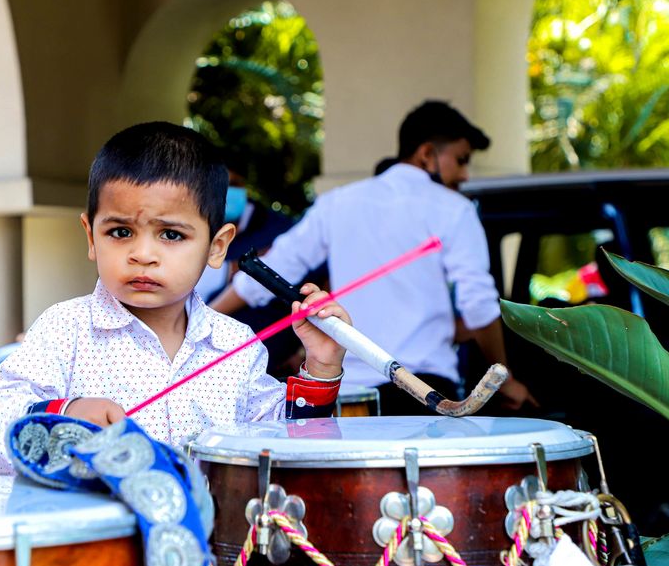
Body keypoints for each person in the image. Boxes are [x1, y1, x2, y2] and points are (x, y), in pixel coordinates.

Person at [0, 122, 353, 475]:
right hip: (100, 548)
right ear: (91, 237)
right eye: (120, 232)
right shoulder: (65, 329)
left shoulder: (236, 346)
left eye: (170, 235)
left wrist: (320, 366)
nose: (143, 254)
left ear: (217, 246)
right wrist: (64, 416)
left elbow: (285, 451)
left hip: (209, 548)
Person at [211, 100, 536, 414]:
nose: (465, 175)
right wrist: (503, 380)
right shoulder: (454, 209)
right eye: (461, 160)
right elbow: (479, 306)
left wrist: (204, 316)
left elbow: (269, 270)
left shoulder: (338, 203)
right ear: (426, 153)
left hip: (350, 396)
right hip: (426, 393)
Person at [194, 161, 323, 378]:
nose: (226, 192)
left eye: (234, 184)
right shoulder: (189, 226)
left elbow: (310, 289)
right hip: (203, 362)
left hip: (270, 362)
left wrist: (302, 351)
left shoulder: (281, 232)